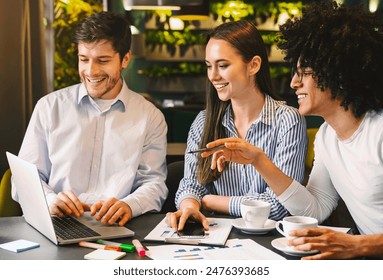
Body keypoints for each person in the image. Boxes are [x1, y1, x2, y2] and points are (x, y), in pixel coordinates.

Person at [202, 1, 383, 259]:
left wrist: (358, 245)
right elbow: (315, 210)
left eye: (304, 73)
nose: (293, 83)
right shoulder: (326, 138)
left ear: (338, 74)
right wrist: (259, 160)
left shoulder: (379, 132)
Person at [12, 11, 168, 226]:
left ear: (125, 59)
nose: (91, 71)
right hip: (55, 224)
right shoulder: (49, 107)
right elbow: (23, 179)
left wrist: (129, 205)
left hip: (115, 229)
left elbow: (154, 183)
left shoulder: (150, 117)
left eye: (102, 60)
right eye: (83, 59)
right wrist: (50, 200)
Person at [166, 20, 307, 231]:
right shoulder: (203, 122)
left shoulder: (288, 121)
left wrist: (210, 201)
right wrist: (190, 205)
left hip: (267, 240)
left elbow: (280, 207)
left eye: (222, 65)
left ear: (254, 65)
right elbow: (191, 184)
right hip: (215, 234)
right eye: (208, 66)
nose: (213, 76)